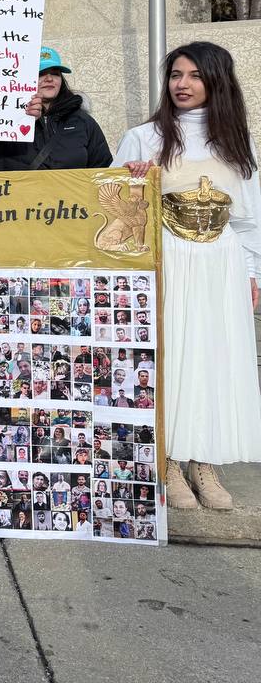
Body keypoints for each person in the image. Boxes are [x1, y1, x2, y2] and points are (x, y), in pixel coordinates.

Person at [116, 41, 261, 511]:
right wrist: (136, 182)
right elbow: (114, 213)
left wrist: (253, 272)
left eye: (194, 75)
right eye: (176, 75)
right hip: (169, 261)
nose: (182, 84)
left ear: (216, 81)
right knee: (172, 359)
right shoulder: (143, 137)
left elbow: (250, 217)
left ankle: (206, 463)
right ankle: (171, 462)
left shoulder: (238, 141)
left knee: (214, 360)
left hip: (222, 262)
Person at [0, 47, 112, 170]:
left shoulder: (82, 121)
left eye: (55, 73)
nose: (49, 79)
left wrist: (125, 172)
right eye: (41, 73)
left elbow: (103, 170)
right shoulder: (4, 118)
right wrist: (17, 121)